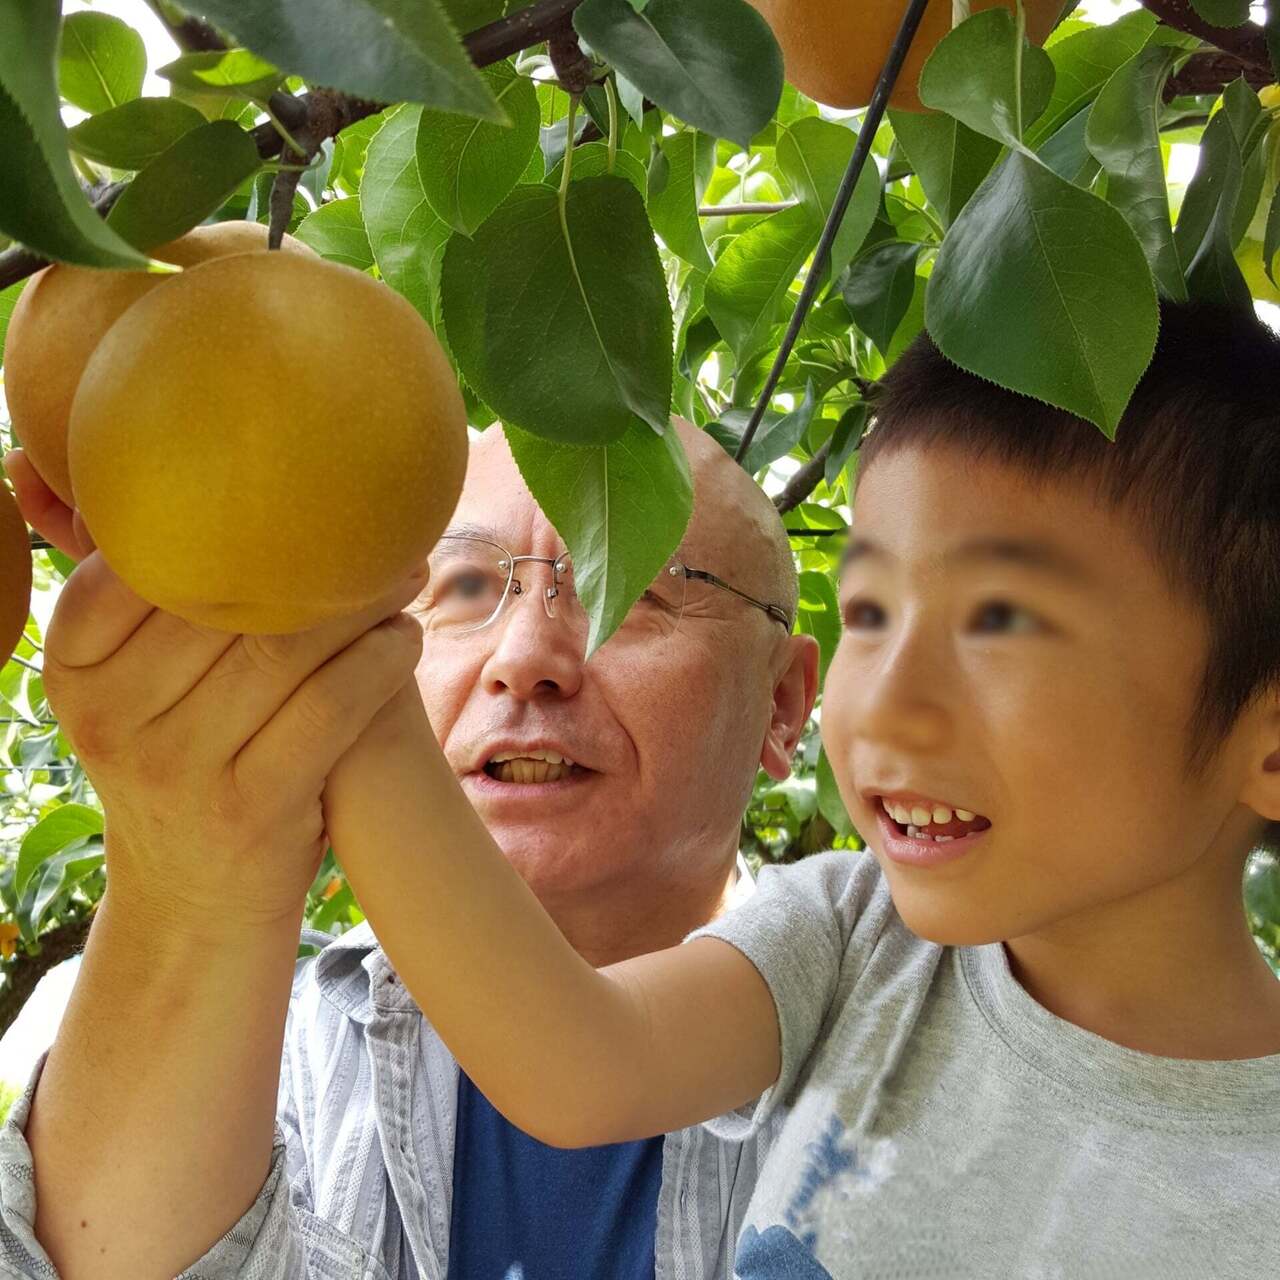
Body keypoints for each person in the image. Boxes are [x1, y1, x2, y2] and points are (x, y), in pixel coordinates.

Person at [312, 300, 1280, 1278]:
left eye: (1002, 621)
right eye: (874, 609)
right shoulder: (853, 936)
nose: (888, 704)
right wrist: (337, 658)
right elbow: (574, 1064)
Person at [0, 418, 818, 1279]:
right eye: (466, 586)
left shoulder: (900, 1027)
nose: (525, 655)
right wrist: (191, 872)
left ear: (785, 704)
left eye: (634, 586)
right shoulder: (274, 1042)